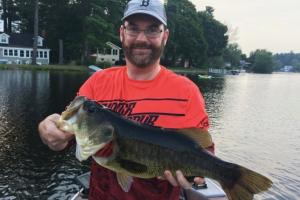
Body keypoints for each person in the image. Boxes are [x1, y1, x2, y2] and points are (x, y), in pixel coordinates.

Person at [38, 0, 214, 199]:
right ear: (122, 33)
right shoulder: (97, 83)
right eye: (133, 29)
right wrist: (48, 130)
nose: (141, 38)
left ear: (165, 36)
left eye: (152, 30)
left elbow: (204, 154)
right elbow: (63, 138)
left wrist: (193, 176)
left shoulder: (187, 92)